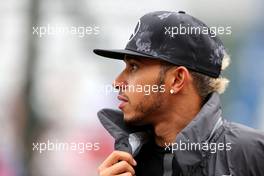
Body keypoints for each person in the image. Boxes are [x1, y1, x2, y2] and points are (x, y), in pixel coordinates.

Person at [93, 11, 264, 176]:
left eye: (134, 67)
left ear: (177, 79)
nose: (117, 82)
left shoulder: (254, 155)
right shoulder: (123, 163)